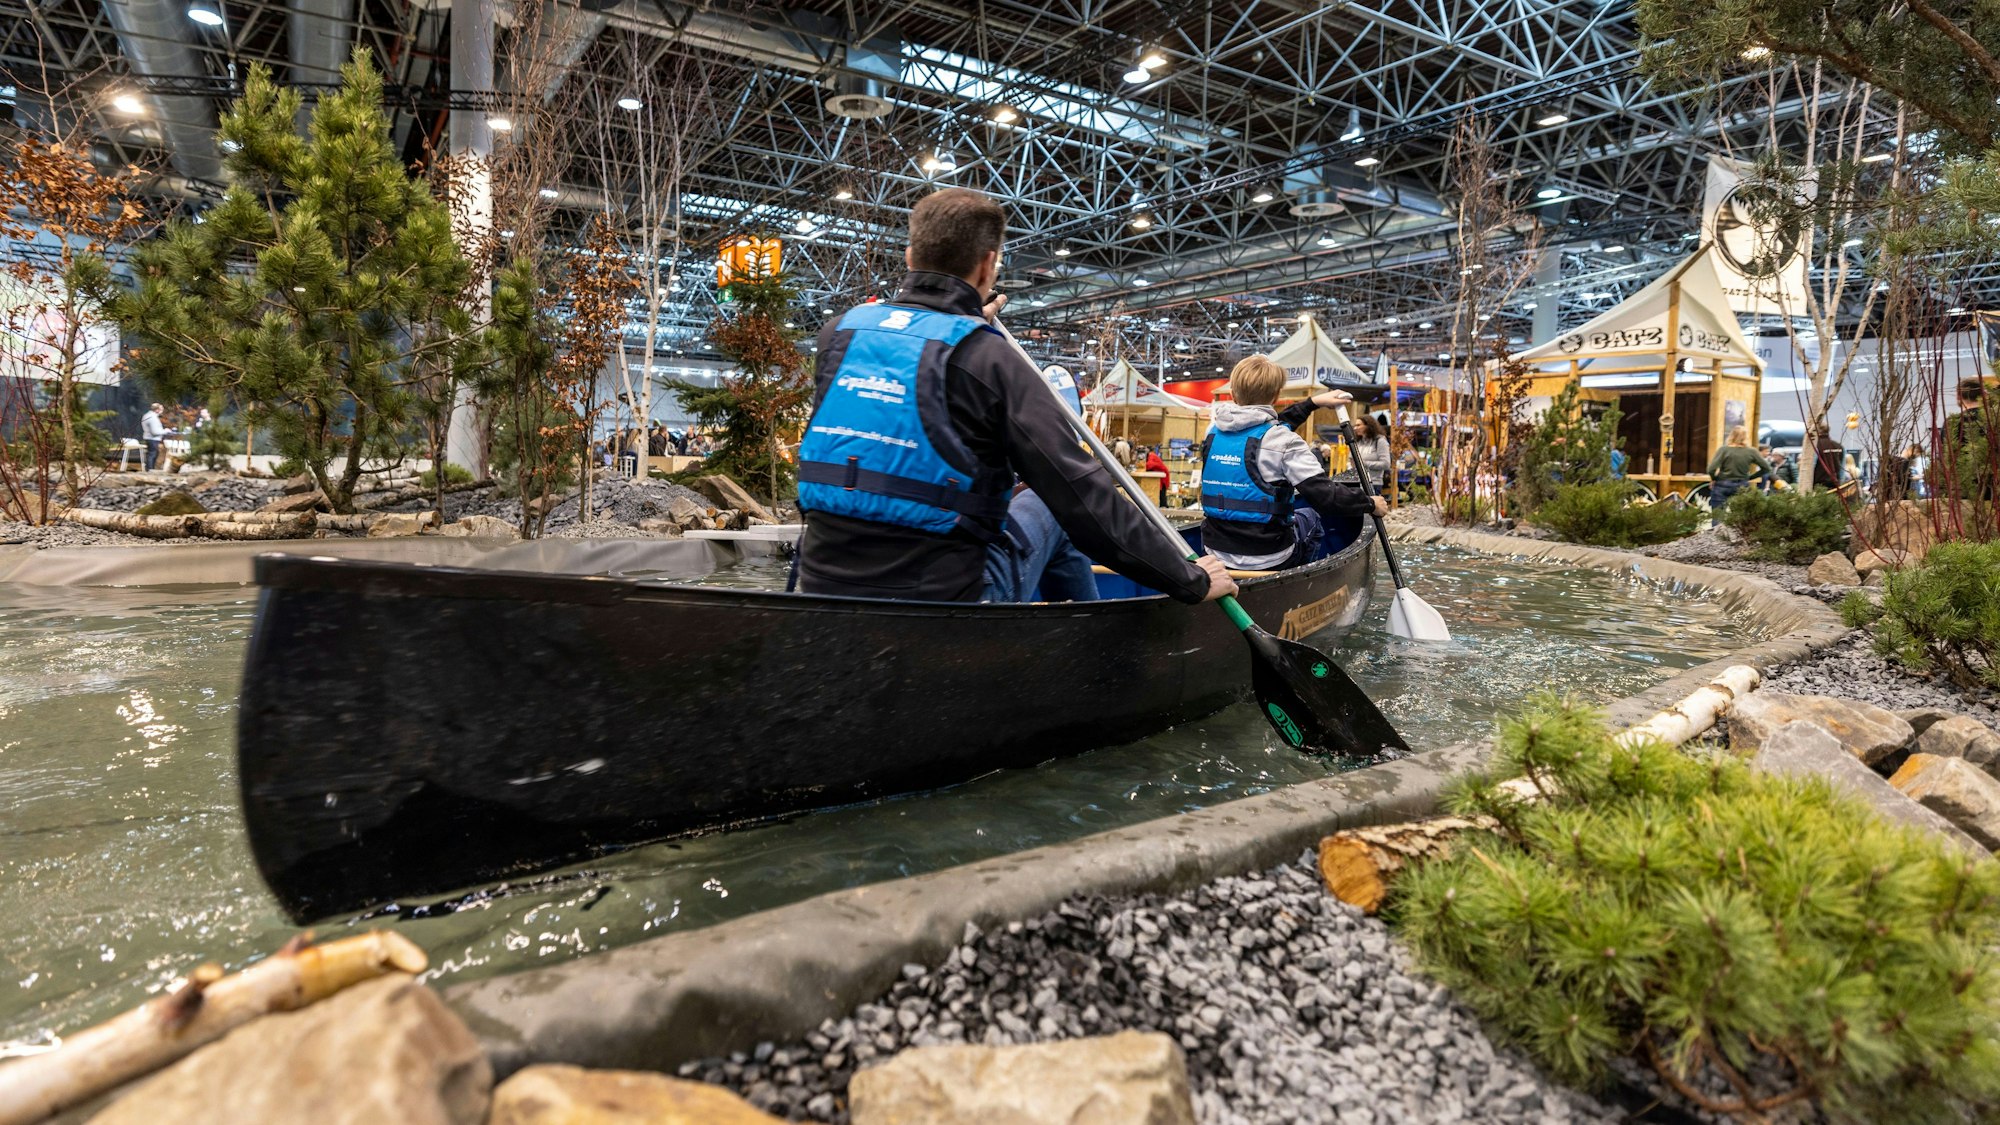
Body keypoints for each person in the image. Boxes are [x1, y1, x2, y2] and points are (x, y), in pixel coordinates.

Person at [794, 187, 1235, 606]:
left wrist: (963, 326)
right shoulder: (991, 360)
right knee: (1051, 503)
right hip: (948, 602)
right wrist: (1190, 578)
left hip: (821, 584)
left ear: (910, 257)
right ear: (988, 266)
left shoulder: (841, 334)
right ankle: (1093, 650)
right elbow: (1083, 497)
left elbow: (908, 377)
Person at [1199, 355, 1385, 572]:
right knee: (1311, 517)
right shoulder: (1284, 441)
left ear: (1232, 394)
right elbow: (1326, 498)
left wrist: (1313, 403)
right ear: (1277, 396)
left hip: (1213, 550)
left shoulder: (1211, 435)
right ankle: (1301, 576)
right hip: (1269, 555)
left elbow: (1266, 427)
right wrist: (1370, 503)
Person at [1705, 425, 1773, 524]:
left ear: (1731, 435)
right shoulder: (1751, 451)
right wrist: (1750, 477)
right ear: (1746, 437)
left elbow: (1711, 468)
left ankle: (1716, 537)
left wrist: (1714, 478)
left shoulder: (1724, 450)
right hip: (1742, 485)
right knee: (1741, 516)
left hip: (1722, 484)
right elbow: (1766, 468)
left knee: (1718, 515)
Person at [1350, 413, 1391, 491]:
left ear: (1368, 426)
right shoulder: (1357, 442)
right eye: (1355, 425)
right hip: (1357, 483)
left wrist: (1362, 464)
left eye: (1358, 425)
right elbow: (1351, 460)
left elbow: (1386, 464)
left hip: (1373, 484)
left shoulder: (1380, 441)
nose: (1355, 428)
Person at [140, 402, 165, 471]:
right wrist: (166, 431)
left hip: (150, 438)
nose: (162, 411)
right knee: (152, 454)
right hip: (152, 439)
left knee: (152, 454)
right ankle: (150, 469)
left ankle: (150, 469)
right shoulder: (152, 417)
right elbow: (155, 432)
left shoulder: (148, 416)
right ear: (157, 410)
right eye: (161, 409)